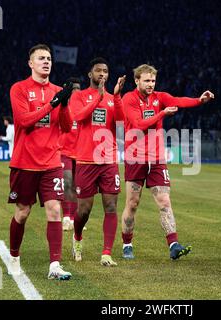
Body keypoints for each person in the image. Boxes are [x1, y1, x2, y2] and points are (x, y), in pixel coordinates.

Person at [121, 64, 214, 260]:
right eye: (146, 80)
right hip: (135, 156)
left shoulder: (159, 97)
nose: (151, 84)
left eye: (153, 80)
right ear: (137, 80)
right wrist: (162, 114)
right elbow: (139, 125)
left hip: (157, 158)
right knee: (132, 203)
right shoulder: (128, 99)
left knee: (164, 201)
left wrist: (200, 100)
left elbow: (179, 101)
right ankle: (127, 243)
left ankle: (173, 244)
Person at [7, 44, 74, 280]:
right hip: (25, 162)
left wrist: (64, 104)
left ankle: (55, 265)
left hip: (52, 163)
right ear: (30, 63)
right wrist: (53, 104)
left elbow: (66, 127)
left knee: (55, 210)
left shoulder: (58, 90)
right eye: (41, 58)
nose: (46, 62)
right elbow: (24, 121)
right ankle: (13, 257)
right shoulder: (19, 89)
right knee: (23, 212)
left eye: (48, 58)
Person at [69, 57, 125, 267]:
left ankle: (106, 253)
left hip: (109, 159)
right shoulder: (80, 96)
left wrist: (117, 96)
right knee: (84, 210)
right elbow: (78, 117)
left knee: (111, 206)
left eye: (105, 71)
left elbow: (120, 122)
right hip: (85, 160)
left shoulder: (112, 98)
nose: (102, 74)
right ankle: (77, 237)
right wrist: (97, 98)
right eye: (98, 71)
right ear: (89, 74)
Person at [58, 77, 82, 231]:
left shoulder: (83, 106)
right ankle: (66, 217)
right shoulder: (61, 105)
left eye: (79, 88)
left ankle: (74, 219)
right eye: (74, 88)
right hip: (63, 150)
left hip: (80, 152)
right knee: (66, 183)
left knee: (76, 186)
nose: (77, 91)